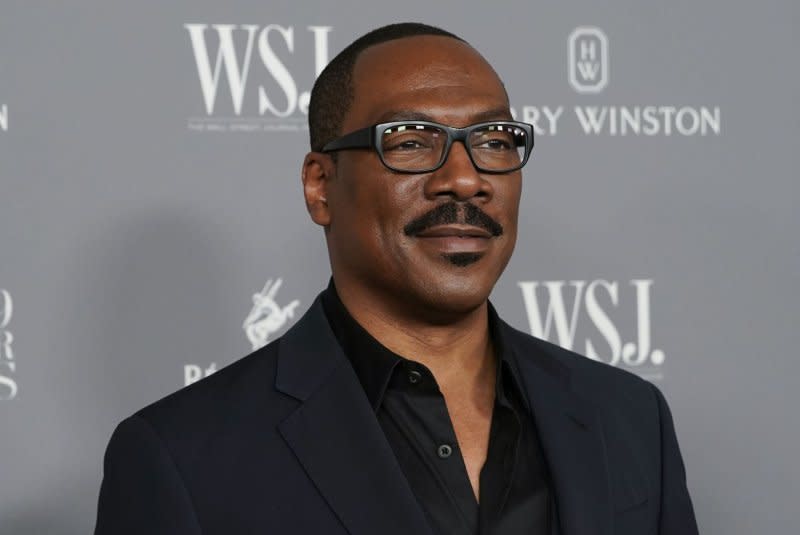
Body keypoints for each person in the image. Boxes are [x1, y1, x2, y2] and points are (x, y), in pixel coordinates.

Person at [94, 22, 699, 535]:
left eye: (493, 140)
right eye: (410, 142)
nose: (465, 178)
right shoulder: (182, 458)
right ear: (320, 186)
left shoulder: (629, 418)